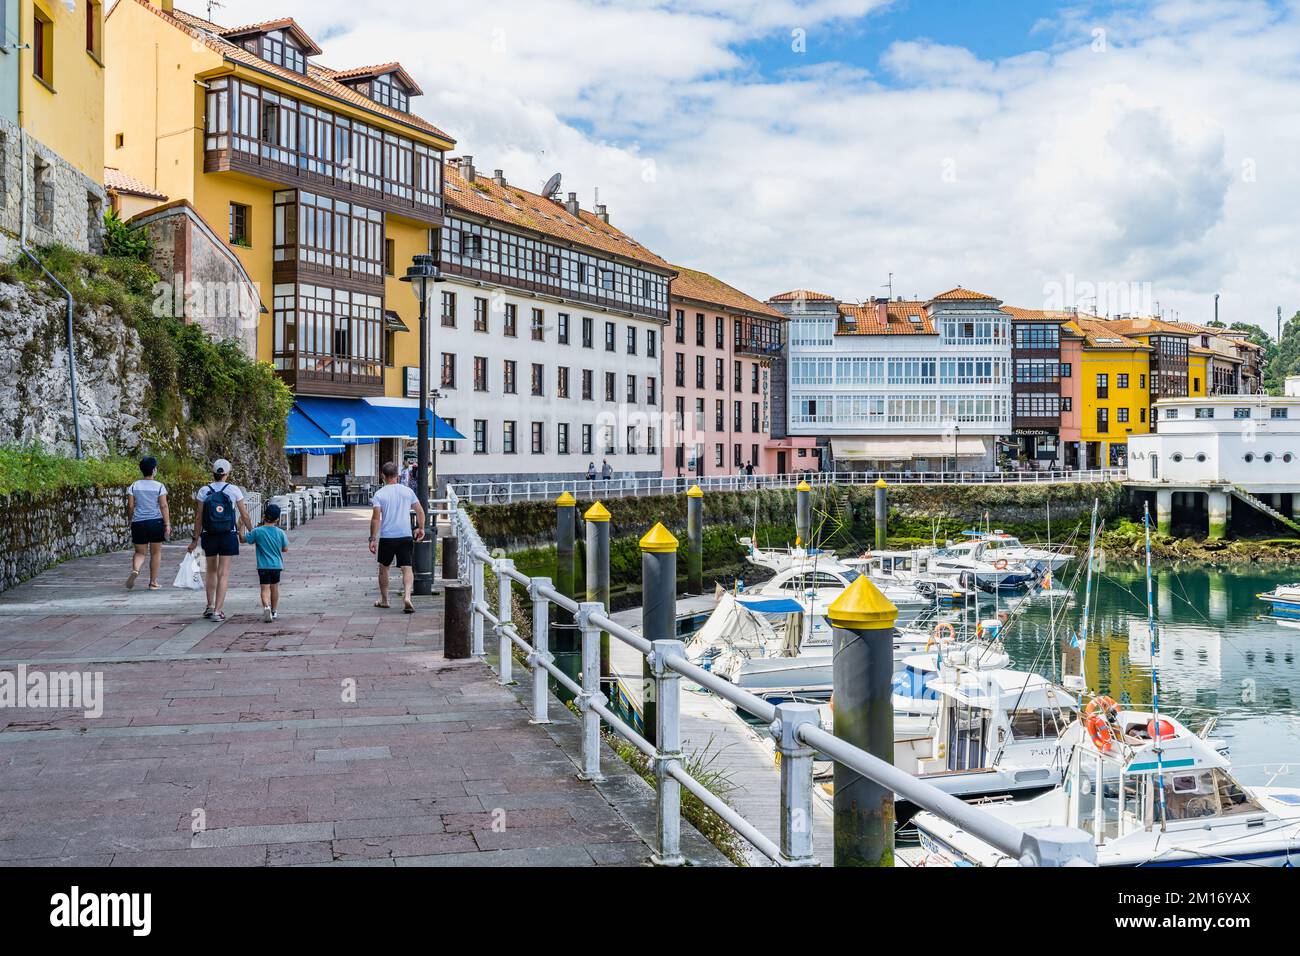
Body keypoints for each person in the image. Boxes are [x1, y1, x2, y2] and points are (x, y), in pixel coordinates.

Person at [187, 458, 254, 622]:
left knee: (210, 571)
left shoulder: (204, 490)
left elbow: (199, 517)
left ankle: (209, 606)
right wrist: (253, 532)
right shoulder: (233, 490)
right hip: (228, 533)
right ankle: (218, 611)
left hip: (208, 534)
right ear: (227, 473)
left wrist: (195, 539)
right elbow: (244, 514)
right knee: (223, 573)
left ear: (213, 472)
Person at [369, 461, 426, 614]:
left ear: (383, 475)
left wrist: (372, 539)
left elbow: (376, 518)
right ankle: (407, 596)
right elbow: (420, 511)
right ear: (398, 475)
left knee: (383, 568)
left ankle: (385, 600)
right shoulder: (407, 492)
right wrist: (421, 528)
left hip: (388, 536)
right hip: (405, 535)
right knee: (407, 568)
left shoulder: (379, 494)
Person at [126, 456, 170, 590]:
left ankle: (136, 569)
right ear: (154, 470)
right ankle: (153, 582)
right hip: (155, 522)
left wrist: (130, 519)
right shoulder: (159, 486)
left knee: (140, 552)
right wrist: (167, 524)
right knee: (156, 553)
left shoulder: (134, 486)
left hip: (138, 522)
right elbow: (163, 506)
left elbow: (130, 506)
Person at [244, 503, 289, 623]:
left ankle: (266, 607)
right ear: (277, 519)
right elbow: (285, 549)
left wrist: (239, 529)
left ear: (264, 516)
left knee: (264, 589)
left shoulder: (257, 531)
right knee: (274, 588)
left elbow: (244, 540)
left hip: (263, 566)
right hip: (277, 565)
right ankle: (274, 611)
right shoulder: (280, 532)